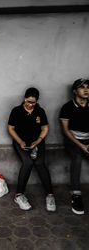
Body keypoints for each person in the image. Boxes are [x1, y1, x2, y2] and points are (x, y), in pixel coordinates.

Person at [8, 87, 56, 212]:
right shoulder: (16, 111)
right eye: (28, 101)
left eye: (33, 102)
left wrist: (38, 141)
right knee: (28, 162)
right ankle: (19, 195)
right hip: (21, 142)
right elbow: (10, 128)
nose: (30, 104)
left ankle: (50, 195)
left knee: (40, 163)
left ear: (37, 101)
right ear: (24, 98)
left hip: (37, 142)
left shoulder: (40, 111)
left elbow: (45, 128)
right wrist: (20, 142)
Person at [59, 78, 89, 215]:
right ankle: (75, 195)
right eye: (82, 87)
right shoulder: (67, 107)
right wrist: (82, 146)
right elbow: (66, 131)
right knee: (77, 158)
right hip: (73, 140)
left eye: (88, 87)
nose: (86, 90)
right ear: (75, 91)